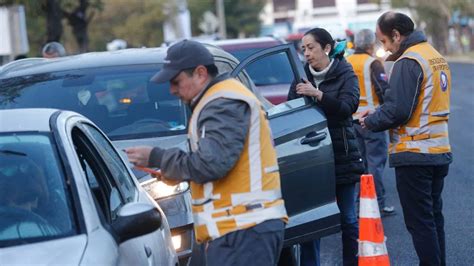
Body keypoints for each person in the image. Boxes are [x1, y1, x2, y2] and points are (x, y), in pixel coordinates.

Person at [125, 39, 288, 266]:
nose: (172, 90)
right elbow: (216, 163)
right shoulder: (219, 100)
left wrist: (157, 157)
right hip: (241, 227)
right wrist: (174, 172)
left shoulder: (223, 102)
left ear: (200, 73)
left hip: (244, 227)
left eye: (176, 81)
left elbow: (213, 163)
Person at [360, 11, 452, 265]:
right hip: (438, 150)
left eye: (384, 41)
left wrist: (370, 121)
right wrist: (378, 111)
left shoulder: (408, 61)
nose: (383, 47)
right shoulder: (434, 56)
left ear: (397, 35)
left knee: (420, 223)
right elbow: (416, 104)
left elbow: (399, 110)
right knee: (433, 219)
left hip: (415, 154)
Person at [287, 28, 364, 266]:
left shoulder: (345, 72)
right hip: (311, 156)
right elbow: (291, 113)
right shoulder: (300, 78)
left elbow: (347, 108)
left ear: (327, 48)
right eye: (304, 49)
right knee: (312, 220)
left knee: (348, 218)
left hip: (342, 154)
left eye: (311, 48)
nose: (307, 54)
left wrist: (317, 94)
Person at [346, 29, 395, 216]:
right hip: (372, 120)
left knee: (361, 163)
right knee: (375, 162)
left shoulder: (347, 62)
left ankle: (361, 203)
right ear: (369, 45)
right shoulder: (373, 63)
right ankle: (379, 204)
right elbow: (384, 91)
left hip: (352, 121)